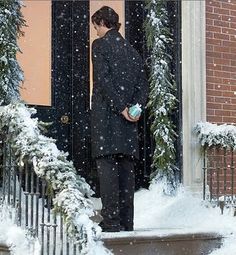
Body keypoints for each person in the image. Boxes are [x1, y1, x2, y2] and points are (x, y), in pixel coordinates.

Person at [91, 6, 148, 232]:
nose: (95, 31)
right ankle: (126, 222)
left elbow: (103, 80)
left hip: (107, 117)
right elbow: (143, 86)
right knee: (126, 170)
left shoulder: (100, 45)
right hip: (128, 123)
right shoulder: (133, 52)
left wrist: (120, 107)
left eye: (96, 26)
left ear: (103, 23)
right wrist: (134, 109)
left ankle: (112, 221)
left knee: (107, 168)